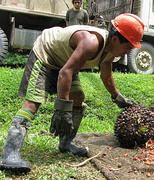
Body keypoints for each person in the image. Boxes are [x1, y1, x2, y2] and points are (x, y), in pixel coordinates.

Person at [0, 13, 144, 173]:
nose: (127, 52)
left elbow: (105, 73)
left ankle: (65, 143)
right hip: (46, 54)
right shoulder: (91, 43)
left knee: (78, 97)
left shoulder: (112, 50)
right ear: (116, 39)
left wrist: (117, 96)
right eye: (128, 47)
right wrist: (62, 109)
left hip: (67, 61)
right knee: (33, 103)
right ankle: (9, 154)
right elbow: (64, 73)